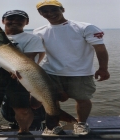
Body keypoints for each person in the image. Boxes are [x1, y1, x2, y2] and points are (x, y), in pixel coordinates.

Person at [33, 0, 110, 136]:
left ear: (62, 10)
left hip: (80, 72)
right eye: (45, 11)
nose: (50, 13)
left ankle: (81, 124)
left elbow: (100, 48)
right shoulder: (39, 31)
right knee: (51, 100)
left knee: (82, 99)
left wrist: (103, 68)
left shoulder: (85, 27)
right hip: (50, 72)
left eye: (54, 9)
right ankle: (53, 126)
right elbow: (36, 53)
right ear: (40, 13)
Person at [0, 10, 45, 139]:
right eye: (10, 18)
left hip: (19, 74)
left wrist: (17, 70)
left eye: (20, 19)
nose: (14, 21)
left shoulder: (32, 38)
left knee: (22, 107)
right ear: (3, 21)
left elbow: (29, 59)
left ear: (26, 22)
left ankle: (24, 132)